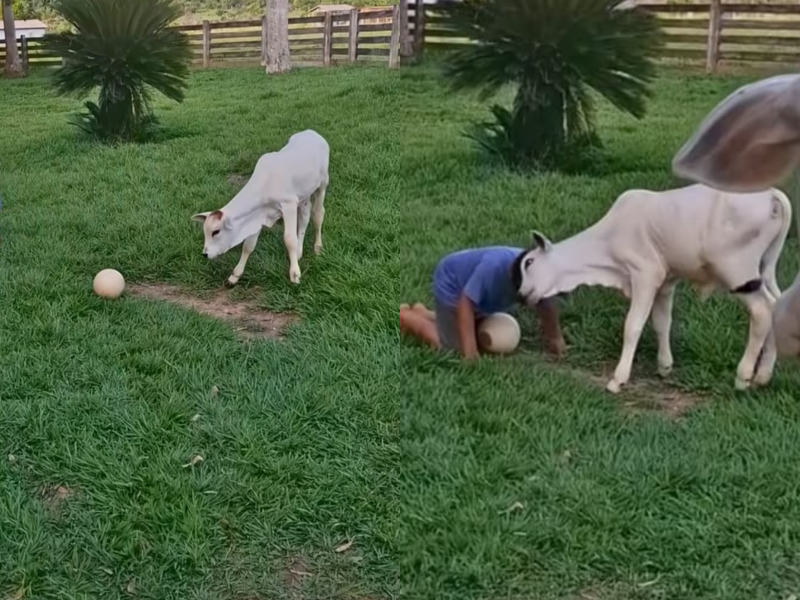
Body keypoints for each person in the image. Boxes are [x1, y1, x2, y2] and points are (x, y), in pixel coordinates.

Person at [400, 246, 566, 360]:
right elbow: (466, 302)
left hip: (481, 297)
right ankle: (407, 317)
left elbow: (546, 303)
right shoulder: (492, 267)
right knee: (453, 348)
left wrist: (555, 337)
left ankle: (423, 313)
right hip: (453, 285)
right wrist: (470, 353)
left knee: (474, 329)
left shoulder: (536, 272)